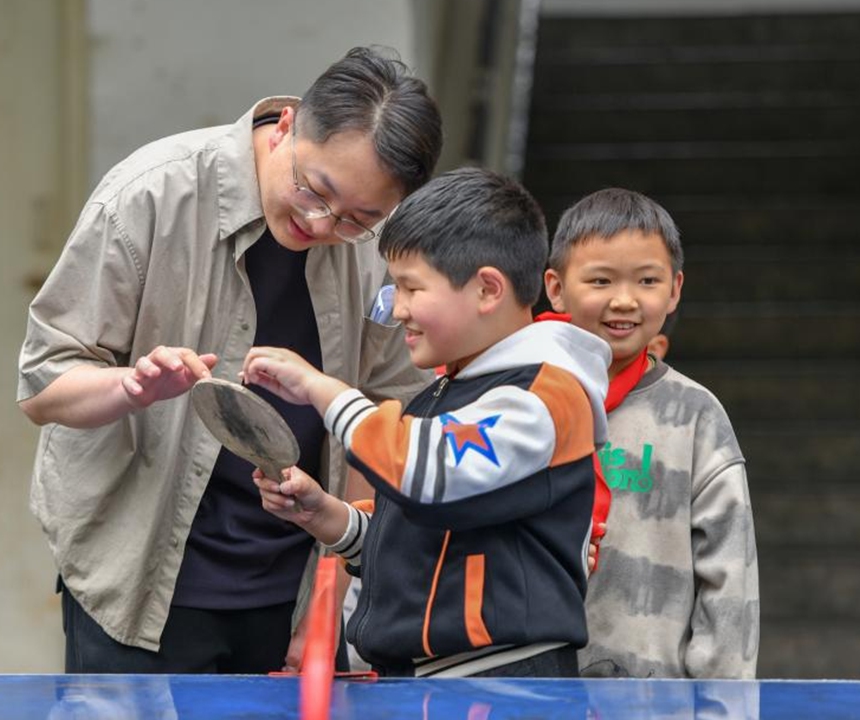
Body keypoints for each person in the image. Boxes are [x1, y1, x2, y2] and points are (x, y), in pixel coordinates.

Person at [16, 47, 443, 674]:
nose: (322, 224)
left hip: (290, 589)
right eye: (314, 190)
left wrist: (330, 598)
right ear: (288, 125)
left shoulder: (380, 248)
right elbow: (41, 386)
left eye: (358, 219)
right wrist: (131, 388)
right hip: (135, 579)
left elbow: (387, 414)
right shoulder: (151, 194)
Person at [241, 167, 611, 677]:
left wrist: (326, 391)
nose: (399, 310)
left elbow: (432, 475)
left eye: (412, 288)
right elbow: (422, 539)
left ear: (487, 290)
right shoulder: (441, 393)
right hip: (427, 680)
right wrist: (327, 516)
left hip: (502, 681)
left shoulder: (543, 396)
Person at [541, 187, 759, 678]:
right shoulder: (517, 402)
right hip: (528, 694)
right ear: (555, 287)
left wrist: (723, 706)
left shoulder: (695, 416)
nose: (624, 300)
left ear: (675, 289)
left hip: (653, 702)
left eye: (646, 280)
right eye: (600, 280)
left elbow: (730, 580)